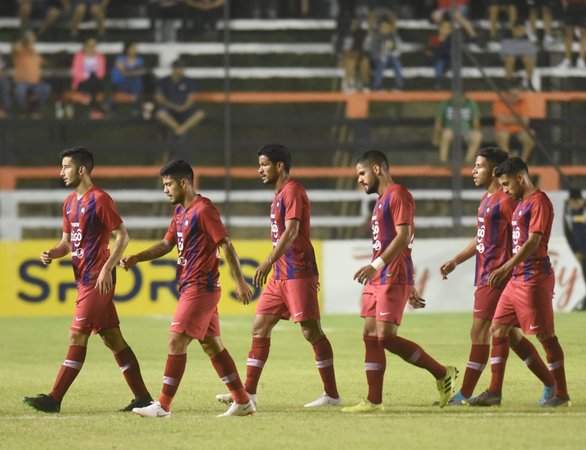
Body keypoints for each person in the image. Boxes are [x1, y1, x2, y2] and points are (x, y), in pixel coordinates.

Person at [120, 159, 255, 418]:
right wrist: (138, 257)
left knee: (176, 340)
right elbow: (166, 244)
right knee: (212, 345)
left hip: (200, 287)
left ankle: (162, 406)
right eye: (164, 185)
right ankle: (243, 401)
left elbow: (225, 244)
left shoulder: (204, 210)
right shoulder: (180, 212)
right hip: (190, 286)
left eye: (168, 184)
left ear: (184, 182)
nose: (165, 190)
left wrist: (239, 281)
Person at [22, 146, 152, 414]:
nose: (61, 173)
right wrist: (52, 253)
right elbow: (67, 243)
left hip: (97, 278)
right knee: (112, 338)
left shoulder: (100, 199)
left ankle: (54, 399)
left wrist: (107, 268)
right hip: (84, 279)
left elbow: (123, 236)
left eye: (66, 167)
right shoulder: (69, 203)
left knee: (77, 334)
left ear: (82, 169)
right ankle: (143, 398)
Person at [215, 143, 341, 409]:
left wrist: (268, 261)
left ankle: (331, 394)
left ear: (279, 165)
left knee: (311, 331)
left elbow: (293, 231)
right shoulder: (279, 195)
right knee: (260, 326)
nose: (259, 170)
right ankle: (248, 393)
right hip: (280, 276)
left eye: (264, 165)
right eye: (259, 165)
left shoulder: (293, 191)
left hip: (298, 272)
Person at [341, 150, 457, 413]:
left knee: (386, 338)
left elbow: (404, 237)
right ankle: (373, 401)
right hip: (381, 276)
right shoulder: (382, 200)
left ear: (377, 169)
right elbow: (398, 243)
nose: (359, 180)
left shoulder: (398, 194)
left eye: (362, 173)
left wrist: (379, 267)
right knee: (370, 336)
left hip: (390, 275)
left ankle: (442, 373)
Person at [440, 147, 556, 405]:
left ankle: (466, 394)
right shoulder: (487, 199)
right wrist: (457, 260)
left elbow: (523, 235)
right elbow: (481, 237)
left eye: (478, 166)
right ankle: (551, 383)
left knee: (479, 332)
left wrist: (508, 267)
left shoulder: (507, 202)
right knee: (510, 337)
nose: (473, 170)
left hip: (498, 276)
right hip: (488, 274)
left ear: (494, 170)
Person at [465, 157, 571, 408]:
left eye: (507, 184)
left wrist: (505, 267)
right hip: (516, 279)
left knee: (545, 336)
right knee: (498, 330)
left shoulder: (540, 202)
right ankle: (494, 392)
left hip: (533, 278)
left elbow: (534, 241)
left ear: (521, 178)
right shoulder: (521, 202)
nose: (504, 189)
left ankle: (561, 392)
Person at [563, 188, 586, 310]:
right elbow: (568, 233)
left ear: (582, 201)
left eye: (577, 202)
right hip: (583, 253)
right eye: (573, 203)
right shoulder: (568, 213)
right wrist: (576, 251)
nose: (575, 206)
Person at [155, 60, 205, 137]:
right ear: (174, 69)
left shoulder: (188, 81)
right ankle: (178, 129)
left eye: (183, 68)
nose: (182, 70)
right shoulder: (163, 81)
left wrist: (184, 107)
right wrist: (174, 106)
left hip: (184, 108)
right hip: (169, 108)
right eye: (180, 68)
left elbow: (191, 98)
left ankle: (180, 131)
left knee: (200, 114)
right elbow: (159, 98)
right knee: (161, 114)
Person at [432, 92, 482, 165]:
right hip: (450, 130)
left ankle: (467, 161)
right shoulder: (445, 104)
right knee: (446, 134)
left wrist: (475, 131)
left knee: (477, 136)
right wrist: (437, 134)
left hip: (466, 131)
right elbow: (438, 124)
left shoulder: (471, 103)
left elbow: (476, 125)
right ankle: (443, 161)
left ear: (464, 96)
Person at [11, 30, 52, 118]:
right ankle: (24, 111)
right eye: (30, 37)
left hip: (35, 83)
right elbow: (15, 48)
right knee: (19, 92)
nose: (32, 39)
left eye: (32, 37)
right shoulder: (19, 48)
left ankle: (34, 110)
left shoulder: (35, 53)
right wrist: (26, 42)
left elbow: (45, 62)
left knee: (46, 89)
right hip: (21, 82)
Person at [493, 82, 535, 163]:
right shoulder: (499, 102)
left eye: (517, 94)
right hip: (503, 129)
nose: (516, 97)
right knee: (502, 136)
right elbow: (501, 119)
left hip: (519, 130)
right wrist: (518, 119)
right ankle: (509, 161)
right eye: (513, 95)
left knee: (530, 136)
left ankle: (523, 161)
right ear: (508, 94)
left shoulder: (522, 102)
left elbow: (525, 121)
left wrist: (509, 119)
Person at [70, 37, 106, 118]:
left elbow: (101, 73)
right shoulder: (78, 56)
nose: (91, 48)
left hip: (96, 82)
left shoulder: (100, 56)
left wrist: (92, 75)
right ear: (85, 46)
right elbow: (75, 73)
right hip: (82, 82)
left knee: (94, 78)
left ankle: (88, 98)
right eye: (89, 45)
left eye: (93, 46)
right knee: (92, 78)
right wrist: (86, 76)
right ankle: (96, 108)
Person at [364, 19, 404, 91]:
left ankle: (399, 86)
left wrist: (392, 54)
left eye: (386, 27)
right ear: (380, 28)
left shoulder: (393, 36)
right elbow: (372, 49)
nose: (384, 28)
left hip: (391, 57)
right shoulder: (375, 36)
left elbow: (398, 47)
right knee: (381, 63)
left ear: (389, 28)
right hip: (378, 57)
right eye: (383, 27)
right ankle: (376, 86)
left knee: (397, 63)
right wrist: (381, 55)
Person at [500, 21, 536, 90]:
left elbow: (531, 52)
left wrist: (517, 52)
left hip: (522, 61)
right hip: (509, 61)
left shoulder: (528, 39)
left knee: (528, 59)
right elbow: (503, 53)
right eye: (519, 29)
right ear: (514, 29)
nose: (521, 32)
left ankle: (529, 82)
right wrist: (519, 51)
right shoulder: (506, 39)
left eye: (523, 30)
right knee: (510, 58)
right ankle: (508, 81)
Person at [557, 0, 586, 69]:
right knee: (568, 31)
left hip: (583, 4)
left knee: (584, 31)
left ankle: (581, 59)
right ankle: (567, 59)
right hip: (569, 4)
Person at [427, 19, 452, 90]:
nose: (446, 30)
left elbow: (449, 53)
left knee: (441, 62)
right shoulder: (434, 39)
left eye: (448, 28)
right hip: (436, 60)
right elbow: (430, 50)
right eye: (444, 28)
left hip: (447, 60)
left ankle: (439, 83)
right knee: (439, 63)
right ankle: (437, 84)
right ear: (439, 29)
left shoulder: (451, 40)